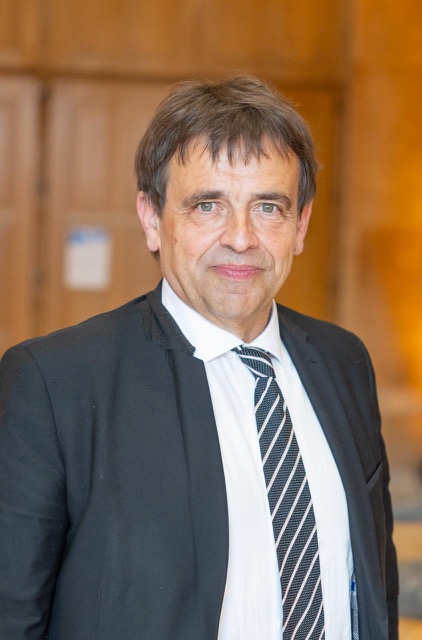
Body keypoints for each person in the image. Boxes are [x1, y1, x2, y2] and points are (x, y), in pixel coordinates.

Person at [0, 76, 398, 640]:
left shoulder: (343, 362)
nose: (241, 238)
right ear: (151, 218)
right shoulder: (55, 383)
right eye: (208, 205)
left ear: (301, 225)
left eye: (268, 207)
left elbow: (375, 581)